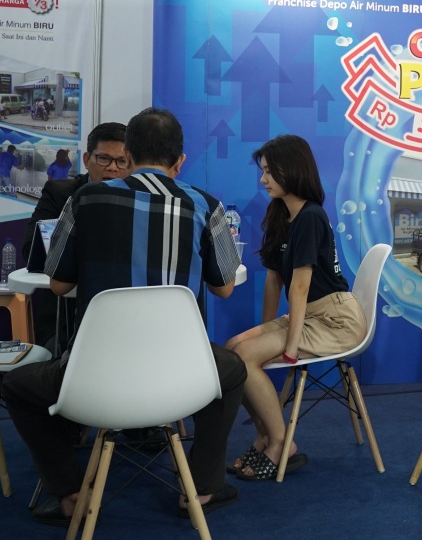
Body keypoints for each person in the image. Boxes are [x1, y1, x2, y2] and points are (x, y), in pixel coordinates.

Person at [2, 107, 245, 525]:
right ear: (180, 160)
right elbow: (223, 287)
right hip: (182, 375)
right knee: (233, 370)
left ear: (127, 155)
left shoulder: (84, 200)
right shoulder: (207, 206)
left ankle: (72, 493)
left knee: (18, 387)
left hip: (94, 378)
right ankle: (202, 488)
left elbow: (57, 285)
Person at [224, 135, 366, 481]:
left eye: (270, 171)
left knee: (245, 357)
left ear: (293, 169)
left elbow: (300, 286)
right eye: (262, 171)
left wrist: (288, 344)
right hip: (310, 314)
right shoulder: (281, 215)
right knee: (233, 350)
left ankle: (280, 443)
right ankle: (265, 435)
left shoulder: (311, 216)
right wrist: (265, 330)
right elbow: (275, 280)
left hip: (336, 319)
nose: (263, 179)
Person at [20, 122, 128, 347]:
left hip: (123, 318)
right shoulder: (60, 193)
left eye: (121, 161)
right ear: (87, 159)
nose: (112, 168)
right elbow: (31, 248)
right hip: (64, 317)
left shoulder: (140, 200)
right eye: (104, 159)